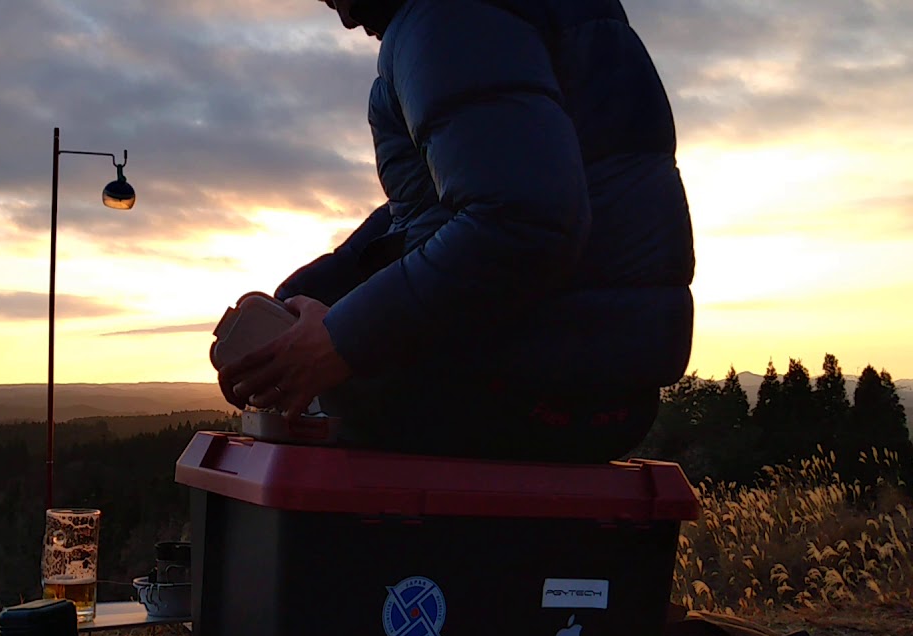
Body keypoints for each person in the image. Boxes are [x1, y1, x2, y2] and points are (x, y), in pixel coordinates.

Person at [218, 0, 695, 463]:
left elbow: (524, 221)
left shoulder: (447, 15)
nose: (341, 14)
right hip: (601, 384)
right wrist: (311, 293)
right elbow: (431, 207)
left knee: (291, 437)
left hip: (529, 387)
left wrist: (340, 341)